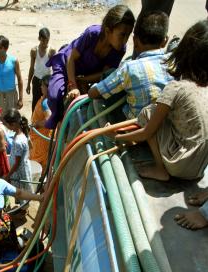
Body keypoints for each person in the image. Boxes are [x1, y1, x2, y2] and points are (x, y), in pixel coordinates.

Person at [112, 20, 208, 182]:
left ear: (183, 50)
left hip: (178, 164)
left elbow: (146, 133)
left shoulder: (175, 88)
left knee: (149, 112)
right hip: (199, 169)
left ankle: (160, 169)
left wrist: (116, 137)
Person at [45, 4, 135, 129]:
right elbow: (71, 58)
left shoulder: (119, 50)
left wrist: (82, 80)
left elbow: (103, 74)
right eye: (122, 35)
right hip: (67, 66)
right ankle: (56, 122)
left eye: (128, 35)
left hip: (85, 76)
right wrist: (73, 85)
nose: (125, 40)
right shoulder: (92, 34)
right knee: (55, 96)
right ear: (108, 31)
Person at [89, 11, 172, 118]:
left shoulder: (129, 68)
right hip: (163, 124)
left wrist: (94, 87)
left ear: (135, 41)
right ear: (165, 41)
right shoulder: (174, 63)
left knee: (110, 77)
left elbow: (93, 94)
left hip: (134, 127)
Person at [0, 35, 24, 114]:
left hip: (11, 95)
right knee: (0, 117)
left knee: (12, 118)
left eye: (0, 48)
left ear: (6, 48)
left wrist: (20, 99)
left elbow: (19, 79)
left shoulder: (13, 61)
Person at [26, 28, 56, 112]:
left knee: (48, 102)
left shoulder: (51, 50)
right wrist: (28, 83)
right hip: (37, 80)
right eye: (43, 41)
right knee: (35, 102)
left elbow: (54, 68)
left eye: (47, 40)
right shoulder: (34, 51)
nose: (44, 43)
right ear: (39, 39)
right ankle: (34, 121)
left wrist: (54, 83)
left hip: (47, 81)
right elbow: (31, 68)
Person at [3, 109, 32, 194]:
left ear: (13, 124)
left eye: (6, 124)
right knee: (24, 189)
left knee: (21, 191)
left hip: (19, 172)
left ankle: (23, 207)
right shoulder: (24, 132)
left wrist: (7, 176)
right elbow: (31, 146)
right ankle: (24, 204)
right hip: (24, 167)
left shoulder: (18, 141)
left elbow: (17, 163)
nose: (6, 127)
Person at [29, 75, 52, 169]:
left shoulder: (45, 102)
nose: (41, 87)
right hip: (44, 136)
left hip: (42, 138)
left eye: (43, 85)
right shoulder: (51, 99)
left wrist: (36, 124)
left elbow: (49, 120)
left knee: (38, 162)